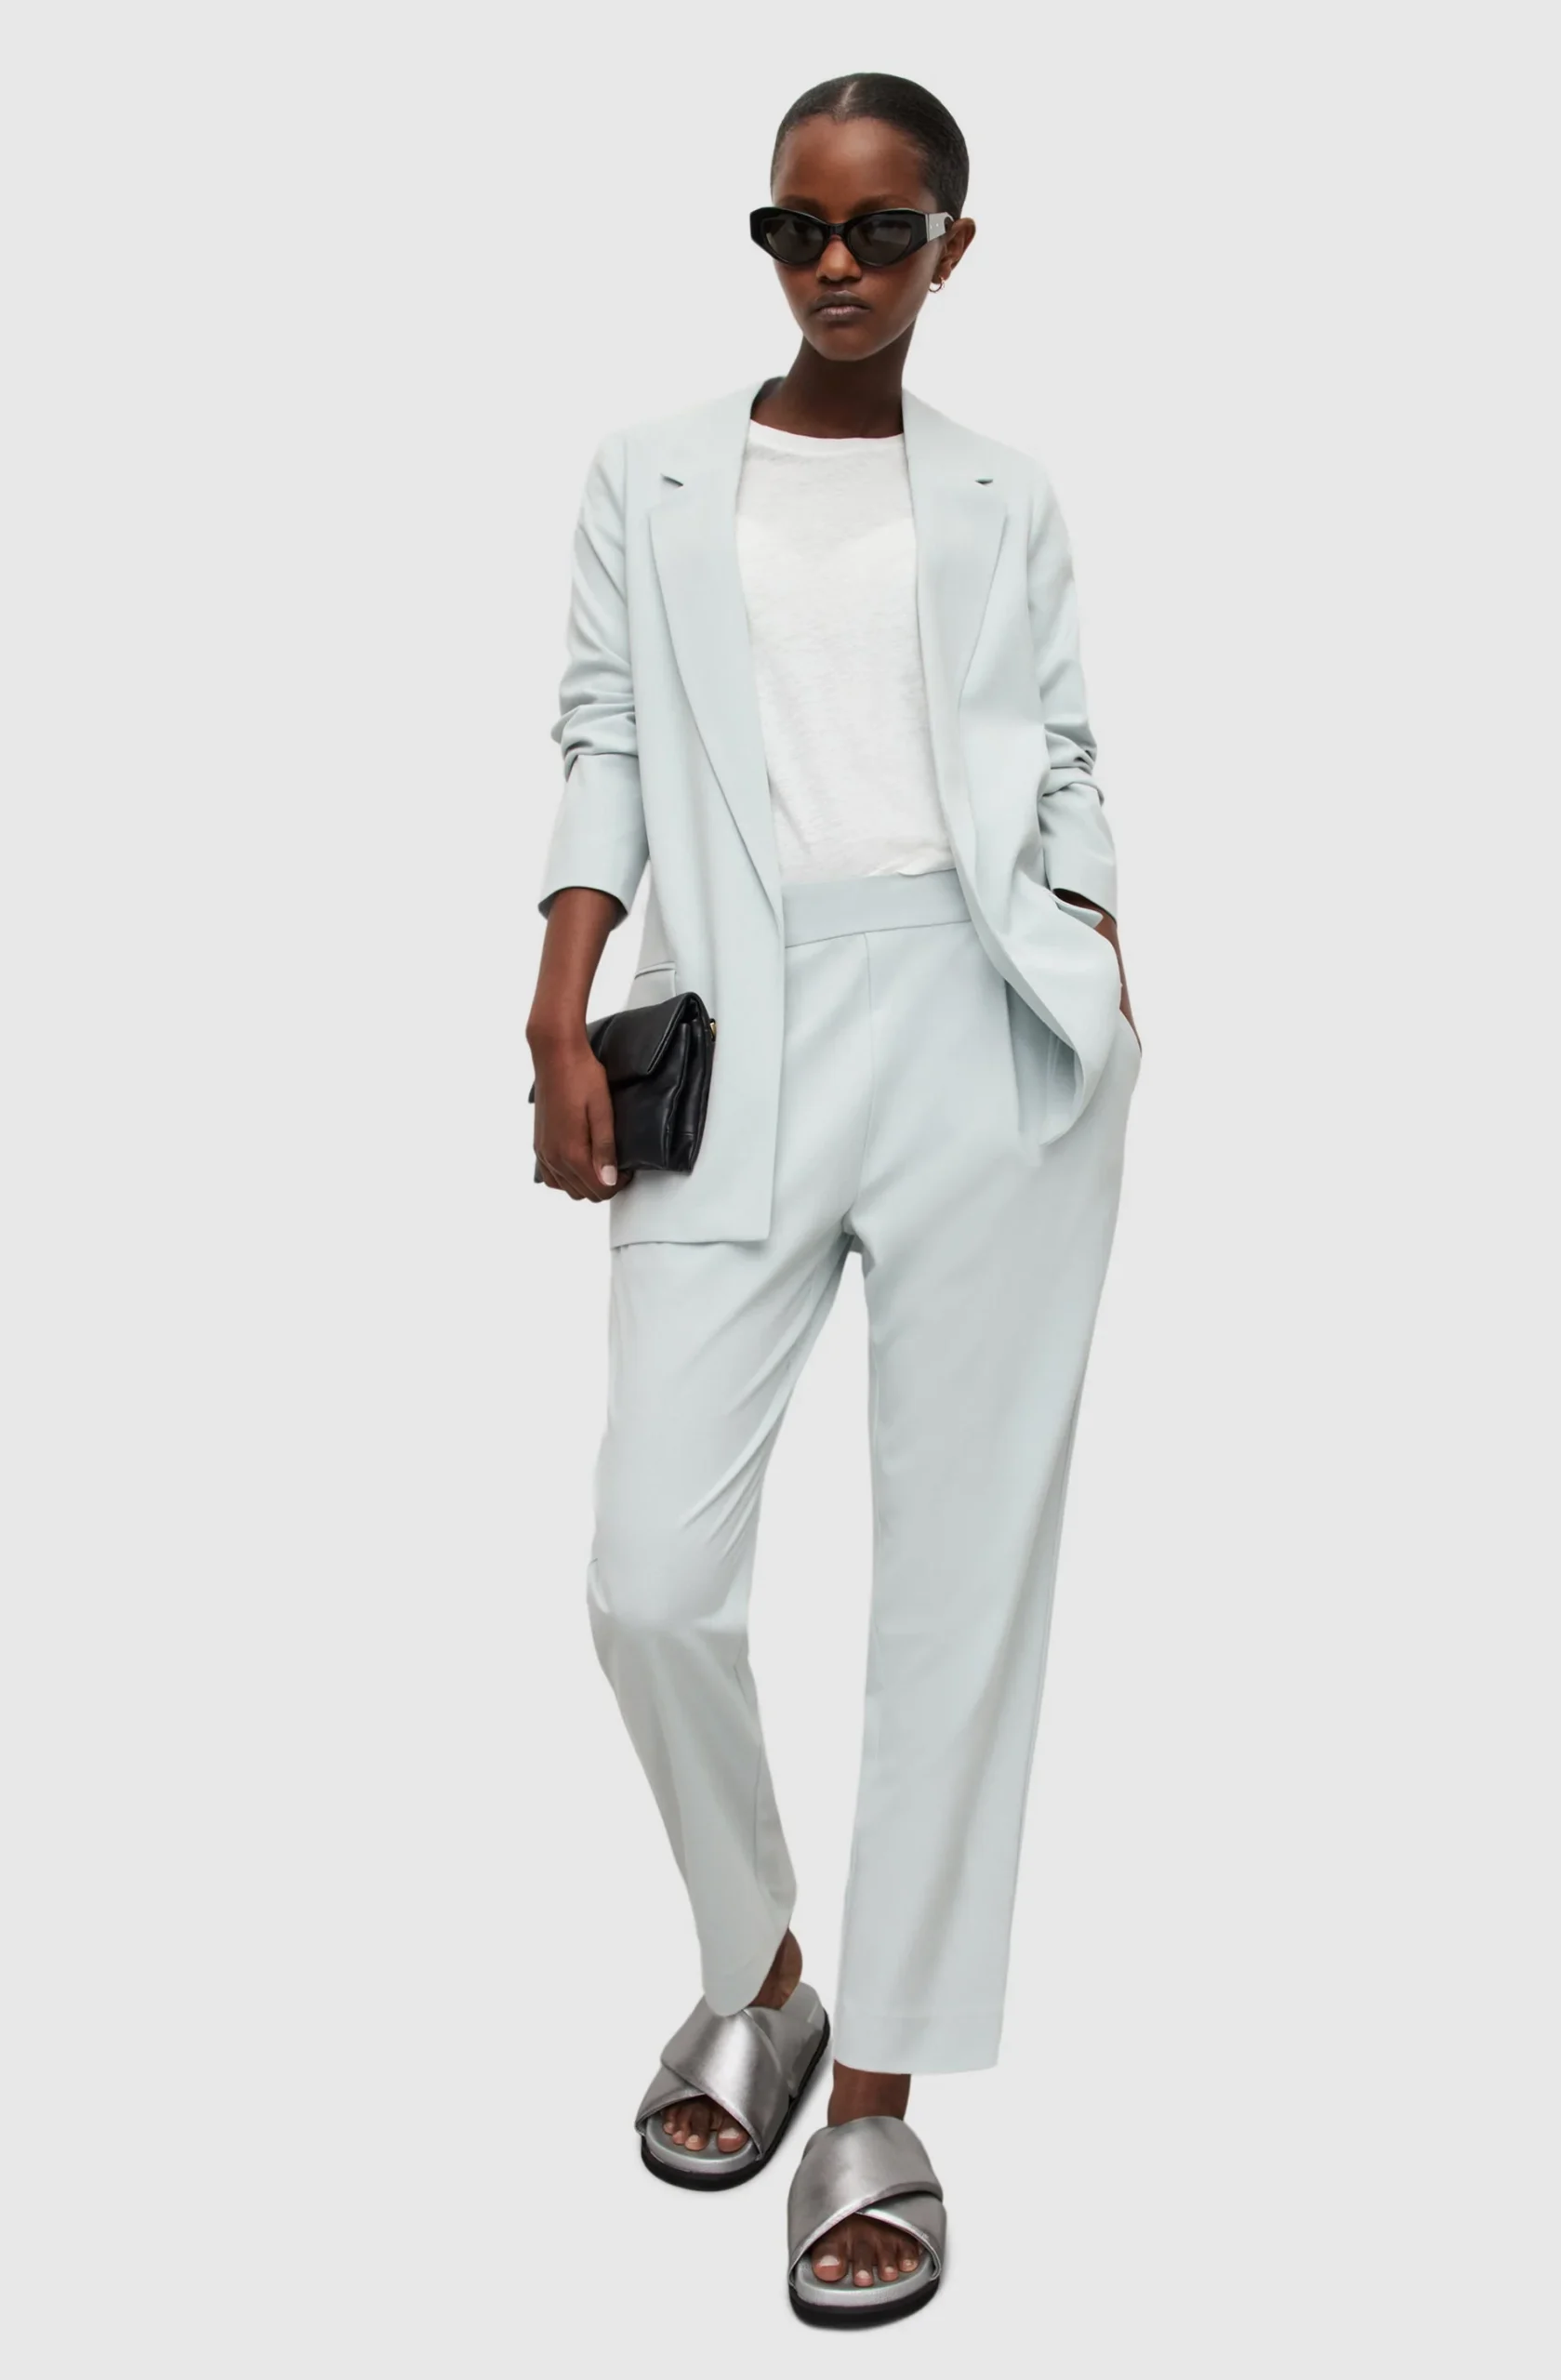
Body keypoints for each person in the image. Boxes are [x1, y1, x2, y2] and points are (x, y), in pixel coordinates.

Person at [526, 71, 1140, 2329]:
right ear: (765, 240)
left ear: (951, 246)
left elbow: (1055, 750)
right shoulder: (651, 472)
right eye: (797, 228)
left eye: (883, 231)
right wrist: (557, 1001)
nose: (838, 267)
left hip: (984, 1032)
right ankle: (758, 1965)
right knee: (649, 1570)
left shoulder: (1002, 491)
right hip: (736, 1026)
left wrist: (1097, 943)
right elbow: (603, 733)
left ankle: (869, 2084)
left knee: (956, 1587)